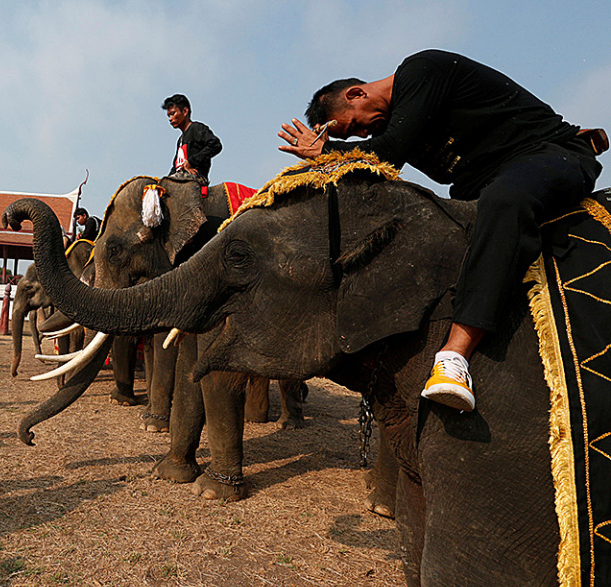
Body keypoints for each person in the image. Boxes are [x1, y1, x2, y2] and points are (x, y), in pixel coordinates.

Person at [278, 49, 604, 412]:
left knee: (504, 202)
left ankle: (455, 354)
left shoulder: (422, 69)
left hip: (545, 155)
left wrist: (328, 150)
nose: (363, 133)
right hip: (482, 183)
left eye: (356, 126)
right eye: (355, 133)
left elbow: (385, 153)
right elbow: (378, 169)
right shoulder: (395, 124)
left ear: (357, 94)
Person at [162, 93, 222, 185]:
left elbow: (215, 145)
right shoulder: (180, 140)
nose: (170, 119)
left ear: (185, 111)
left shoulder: (197, 128)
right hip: (179, 178)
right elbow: (175, 167)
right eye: (169, 116)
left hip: (194, 179)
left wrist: (191, 162)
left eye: (173, 114)